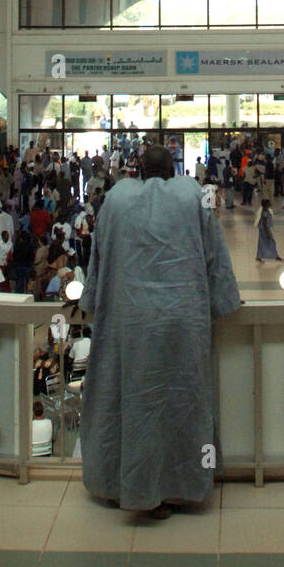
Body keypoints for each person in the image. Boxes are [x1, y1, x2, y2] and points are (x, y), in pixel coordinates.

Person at [79, 144, 241, 515]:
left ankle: (129, 486)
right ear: (172, 171)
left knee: (134, 403)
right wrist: (225, 299)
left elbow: (97, 257)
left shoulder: (116, 200)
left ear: (138, 169)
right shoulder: (190, 196)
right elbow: (213, 253)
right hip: (182, 319)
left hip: (127, 320)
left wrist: (90, 300)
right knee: (182, 403)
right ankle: (180, 486)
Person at [255, 198, 282, 264]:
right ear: (266, 205)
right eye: (269, 203)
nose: (270, 204)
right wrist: (267, 232)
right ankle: (276, 256)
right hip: (265, 229)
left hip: (262, 229)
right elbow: (264, 223)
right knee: (272, 242)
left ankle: (258, 256)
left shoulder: (265, 210)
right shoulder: (265, 212)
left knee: (261, 242)